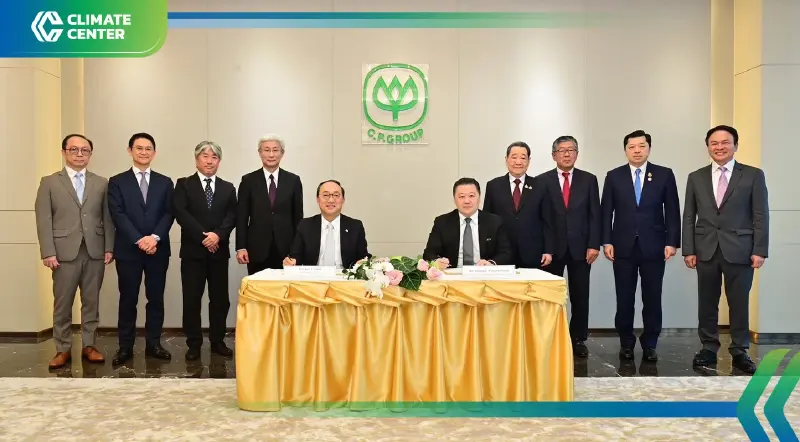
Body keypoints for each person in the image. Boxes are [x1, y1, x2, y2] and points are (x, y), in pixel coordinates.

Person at [683, 125, 768, 375]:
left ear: (735, 146)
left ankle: (740, 350)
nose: (719, 147)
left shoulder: (753, 175)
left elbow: (760, 215)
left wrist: (760, 249)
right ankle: (708, 347)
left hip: (741, 249)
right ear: (708, 147)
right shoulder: (696, 177)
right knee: (707, 301)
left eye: (725, 142)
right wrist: (688, 249)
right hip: (705, 248)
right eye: (714, 143)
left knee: (739, 302)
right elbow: (689, 216)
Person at [34, 134, 115, 369]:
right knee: (63, 302)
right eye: (74, 150)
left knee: (91, 301)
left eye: (85, 150)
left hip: (94, 251)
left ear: (90, 154)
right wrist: (48, 252)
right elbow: (43, 219)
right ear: (64, 152)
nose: (80, 154)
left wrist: (109, 247)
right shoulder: (49, 182)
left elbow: (108, 218)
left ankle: (89, 345)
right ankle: (63, 348)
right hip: (62, 253)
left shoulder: (101, 182)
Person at [600, 130, 680, 362]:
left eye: (641, 146)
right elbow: (606, 211)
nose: (637, 150)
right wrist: (606, 241)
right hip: (622, 246)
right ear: (625, 150)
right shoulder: (614, 176)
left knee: (652, 298)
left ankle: (650, 343)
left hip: (654, 246)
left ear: (649, 148)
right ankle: (626, 342)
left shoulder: (664, 174)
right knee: (624, 299)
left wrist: (672, 242)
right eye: (632, 147)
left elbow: (672, 210)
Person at [107, 132, 174, 365]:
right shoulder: (117, 181)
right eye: (139, 148)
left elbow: (169, 213)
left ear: (154, 153)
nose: (144, 152)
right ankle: (125, 347)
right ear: (130, 151)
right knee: (128, 299)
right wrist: (139, 240)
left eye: (148, 149)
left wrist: (154, 238)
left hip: (158, 249)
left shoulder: (165, 182)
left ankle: (154, 344)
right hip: (128, 250)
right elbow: (118, 214)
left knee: (155, 299)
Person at [537, 135, 601, 358]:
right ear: (553, 155)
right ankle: (551, 337)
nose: (566, 154)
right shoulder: (541, 181)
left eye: (571, 150)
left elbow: (595, 214)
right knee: (550, 296)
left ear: (577, 154)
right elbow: (539, 218)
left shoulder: (589, 180)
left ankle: (578, 339)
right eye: (562, 150)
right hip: (551, 249)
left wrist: (594, 244)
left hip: (581, 249)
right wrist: (543, 247)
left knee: (580, 296)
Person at [173, 141, 237, 361]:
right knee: (192, 299)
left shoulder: (228, 188)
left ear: (219, 161)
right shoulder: (183, 184)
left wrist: (217, 235)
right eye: (205, 156)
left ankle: (218, 341)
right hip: (193, 253)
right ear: (196, 159)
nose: (209, 161)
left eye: (214, 157)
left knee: (220, 299)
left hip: (219, 252)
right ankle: (194, 343)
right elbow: (181, 214)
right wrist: (204, 238)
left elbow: (232, 216)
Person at [236, 135, 303, 275]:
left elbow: (298, 217)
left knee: (284, 288)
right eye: (266, 150)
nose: (271, 154)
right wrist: (241, 247)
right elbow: (242, 216)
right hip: (257, 249)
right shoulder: (248, 180)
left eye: (275, 150)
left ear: (282, 153)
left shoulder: (293, 180)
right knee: (258, 287)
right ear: (260, 153)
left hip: (286, 250)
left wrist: (296, 250)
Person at [483, 141, 554, 269]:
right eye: (514, 157)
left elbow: (548, 220)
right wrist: (486, 251)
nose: (518, 162)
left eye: (523, 158)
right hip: (501, 252)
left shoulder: (540, 185)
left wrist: (548, 250)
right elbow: (487, 220)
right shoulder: (493, 186)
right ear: (506, 159)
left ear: (529, 161)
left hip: (533, 252)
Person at [422, 178, 513, 267]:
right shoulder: (442, 222)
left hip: (483, 272)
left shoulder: (494, 221)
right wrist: (437, 261)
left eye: (471, 196)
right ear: (454, 200)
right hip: (453, 274)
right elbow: (429, 253)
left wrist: (491, 263)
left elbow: (505, 253)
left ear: (479, 198)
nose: (467, 201)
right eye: (461, 197)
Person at [283, 180, 370, 269]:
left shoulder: (355, 226)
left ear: (343, 200)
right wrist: (291, 262)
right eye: (325, 195)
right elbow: (295, 257)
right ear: (318, 199)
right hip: (314, 276)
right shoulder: (305, 225)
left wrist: (364, 262)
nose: (331, 200)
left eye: (336, 195)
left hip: (344, 276)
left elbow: (363, 257)